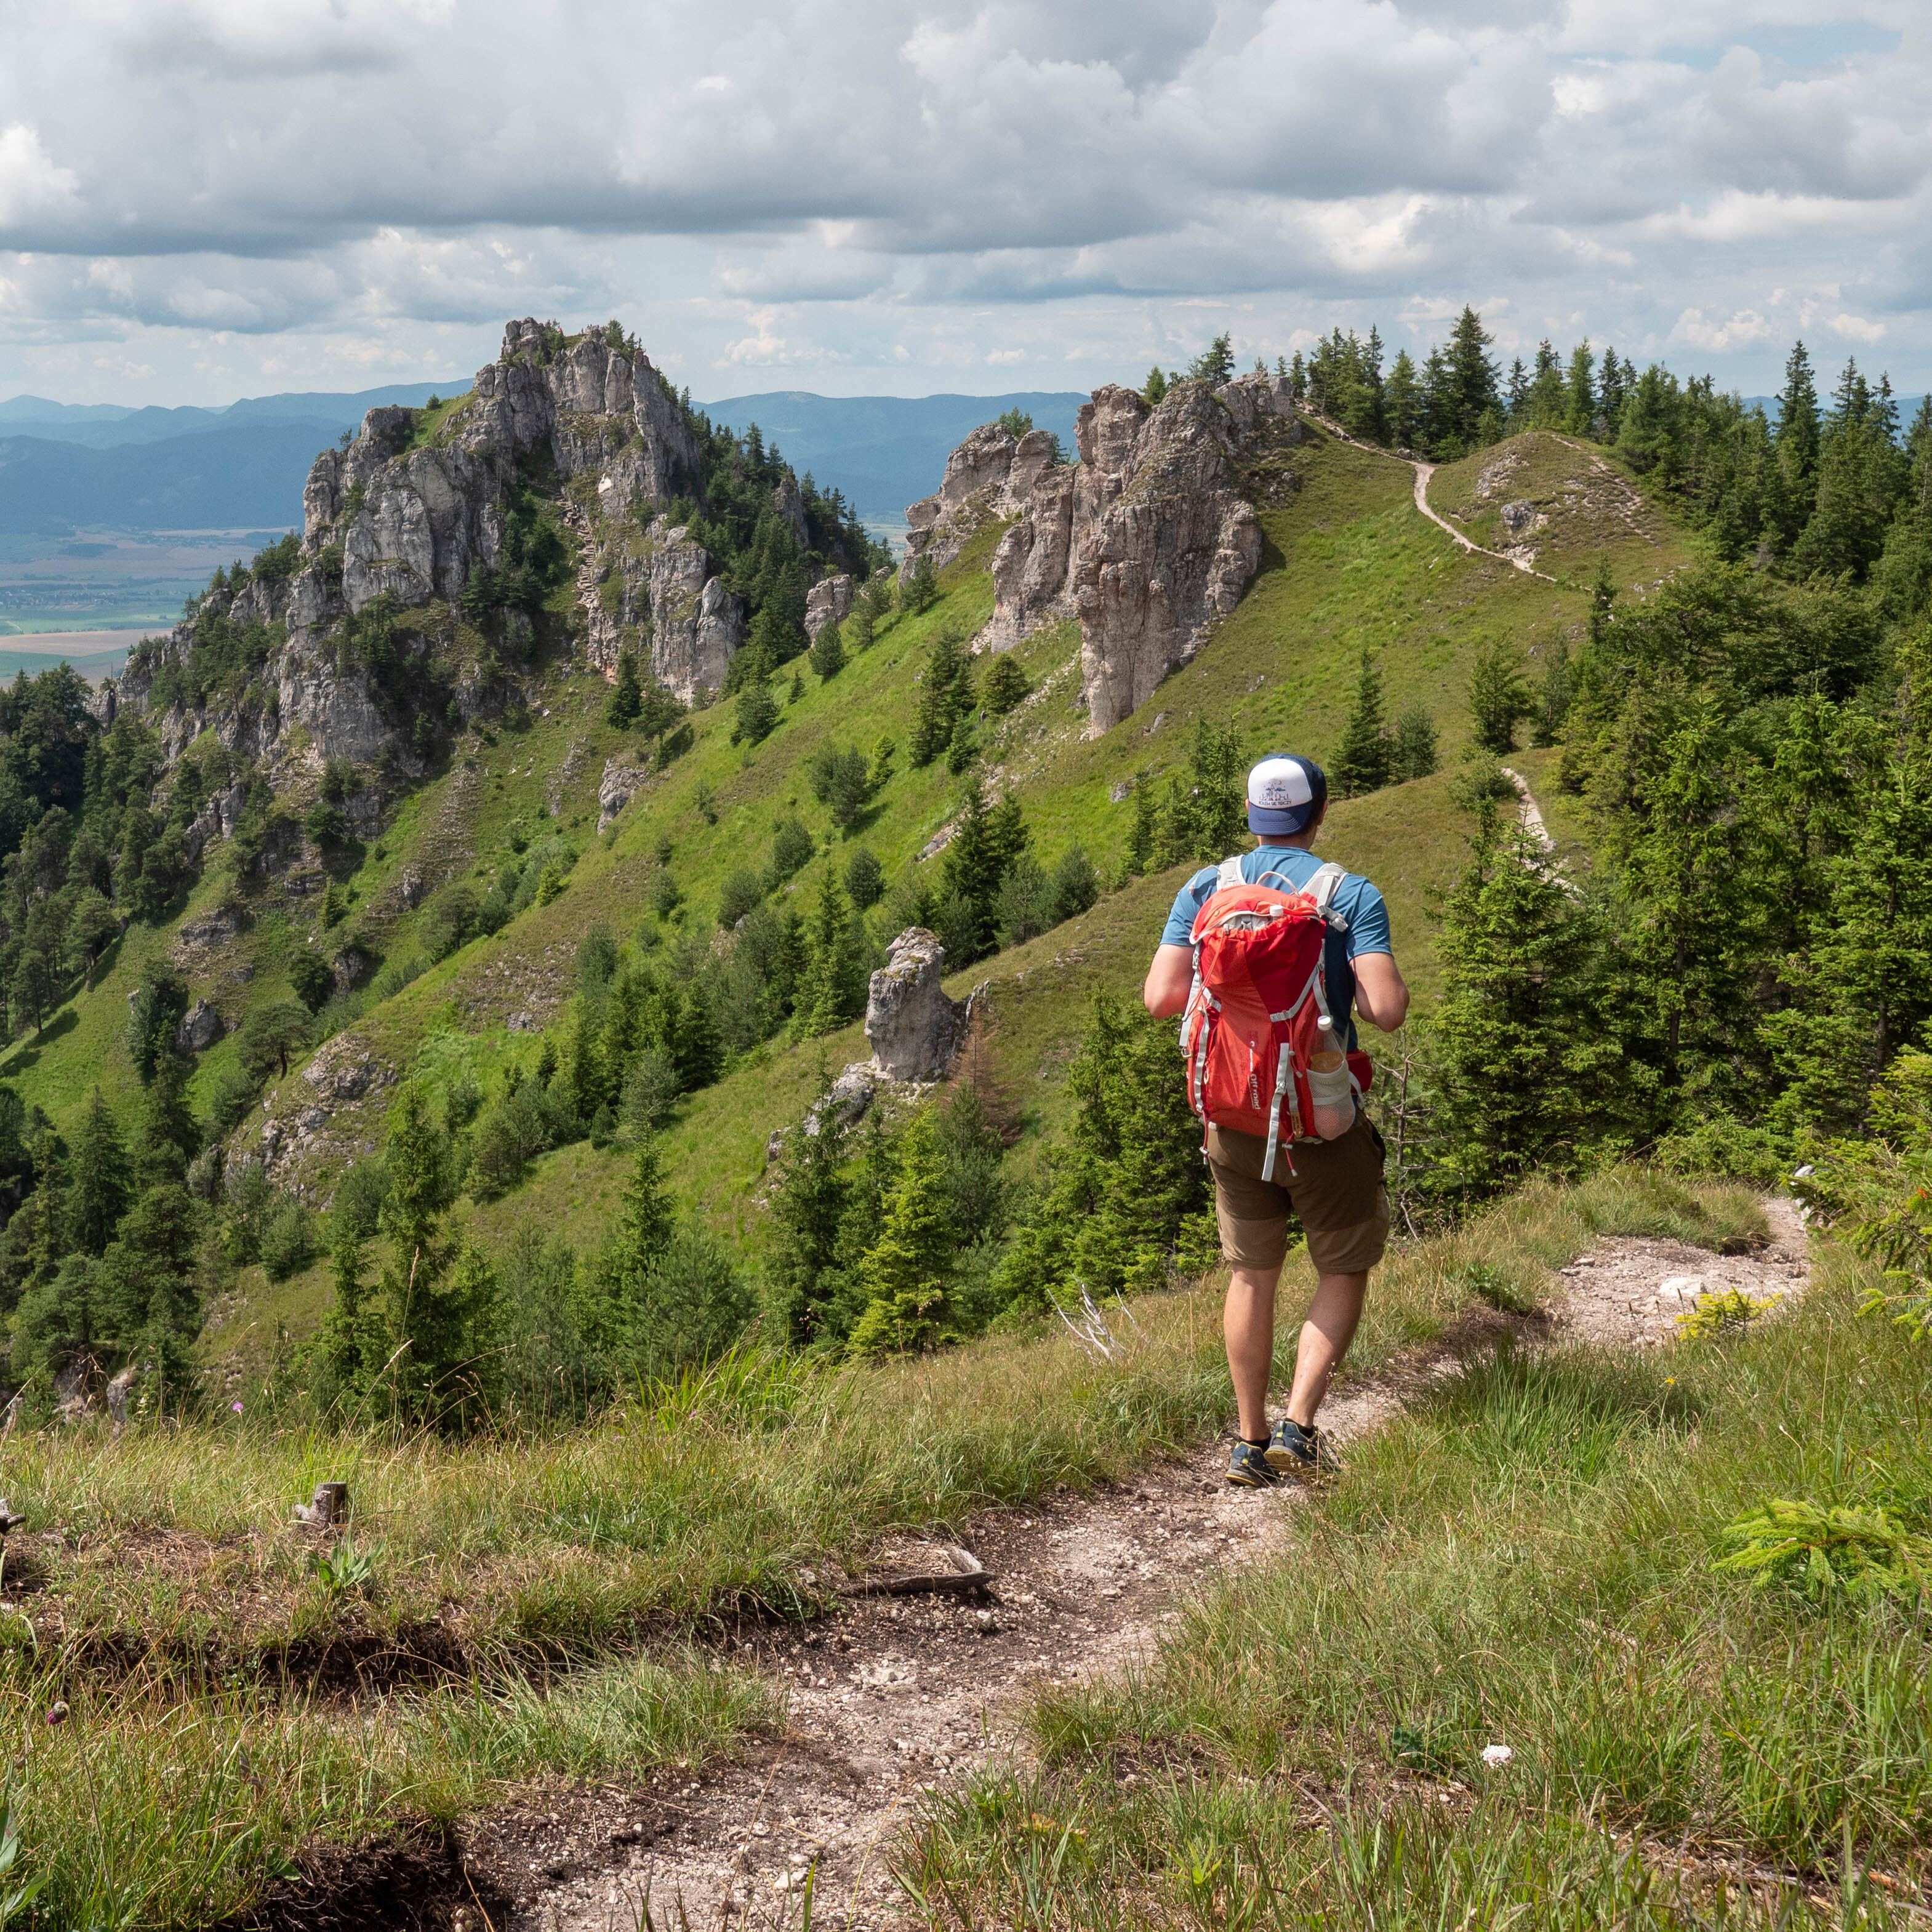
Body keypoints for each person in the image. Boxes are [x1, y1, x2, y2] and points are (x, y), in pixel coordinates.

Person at [1142, 753, 1408, 1487]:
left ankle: (1247, 1441)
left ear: (1251, 816)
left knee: (1251, 1274)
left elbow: (1161, 998)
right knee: (1342, 1264)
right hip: (1320, 1120)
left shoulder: (1204, 888)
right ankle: (1299, 1426)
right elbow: (1385, 1011)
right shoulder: (1349, 895)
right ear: (1319, 812)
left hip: (1233, 1116)